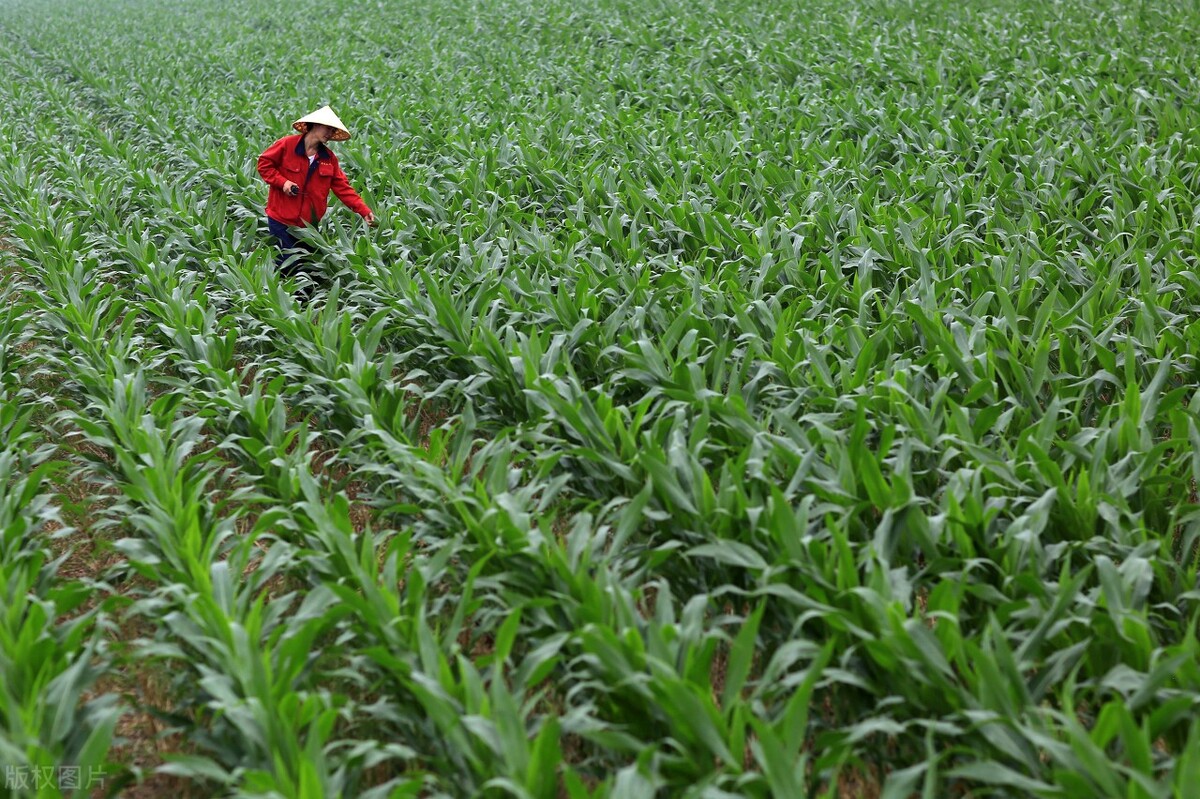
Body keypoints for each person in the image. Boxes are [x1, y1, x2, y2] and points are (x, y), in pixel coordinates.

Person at [257, 105, 377, 281]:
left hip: (308, 226)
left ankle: (301, 303)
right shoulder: (287, 145)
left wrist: (364, 210)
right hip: (281, 219)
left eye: (333, 130)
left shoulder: (328, 159)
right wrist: (283, 182)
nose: (330, 133)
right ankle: (285, 301)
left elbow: (343, 188)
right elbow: (264, 164)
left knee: (305, 268)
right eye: (327, 128)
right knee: (288, 266)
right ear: (314, 125)